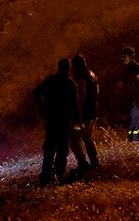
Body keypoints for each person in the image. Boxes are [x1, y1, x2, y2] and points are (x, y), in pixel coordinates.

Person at [33, 58, 82, 187]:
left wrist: (43, 108)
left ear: (58, 67)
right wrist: (79, 121)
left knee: (49, 150)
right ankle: (57, 176)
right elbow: (75, 105)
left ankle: (45, 176)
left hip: (52, 120)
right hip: (64, 121)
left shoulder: (51, 81)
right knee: (62, 151)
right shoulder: (71, 84)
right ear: (69, 69)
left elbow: (36, 92)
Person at [70, 54, 100, 172]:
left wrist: (77, 115)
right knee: (87, 137)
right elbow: (96, 93)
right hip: (93, 110)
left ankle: (83, 163)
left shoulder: (80, 78)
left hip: (85, 112)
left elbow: (81, 97)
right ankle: (95, 161)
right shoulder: (91, 75)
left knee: (73, 139)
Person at [119, 47, 139, 143]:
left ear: (131, 57)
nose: (123, 59)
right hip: (128, 99)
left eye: (125, 56)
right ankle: (137, 141)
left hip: (136, 99)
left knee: (134, 121)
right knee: (132, 121)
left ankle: (135, 141)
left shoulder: (137, 68)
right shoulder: (124, 69)